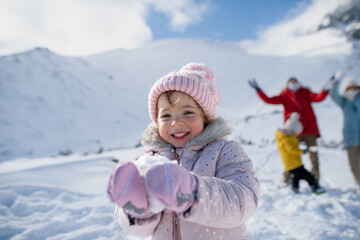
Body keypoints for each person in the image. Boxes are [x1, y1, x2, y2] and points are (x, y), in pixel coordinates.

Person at [107, 63, 260, 240]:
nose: (176, 122)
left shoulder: (225, 151)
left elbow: (242, 202)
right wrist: (136, 207)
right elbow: (135, 228)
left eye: (187, 112)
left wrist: (190, 192)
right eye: (166, 116)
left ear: (205, 117)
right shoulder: (148, 160)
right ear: (156, 121)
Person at [248, 77, 330, 183]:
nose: (293, 83)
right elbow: (269, 100)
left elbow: (319, 97)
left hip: (310, 130)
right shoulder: (284, 95)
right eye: (291, 82)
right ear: (287, 84)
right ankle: (287, 178)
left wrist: (326, 90)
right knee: (289, 153)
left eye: (295, 81)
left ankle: (315, 179)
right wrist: (258, 90)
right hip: (292, 132)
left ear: (299, 82)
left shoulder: (306, 93)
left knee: (313, 154)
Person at [275, 112, 325, 194]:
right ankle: (315, 187)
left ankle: (295, 188)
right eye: (296, 133)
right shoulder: (286, 139)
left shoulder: (287, 137)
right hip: (294, 164)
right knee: (308, 176)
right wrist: (302, 151)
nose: (297, 135)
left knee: (297, 176)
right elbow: (291, 149)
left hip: (292, 164)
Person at [329, 75, 360, 188]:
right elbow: (334, 95)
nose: (352, 89)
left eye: (354, 87)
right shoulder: (344, 102)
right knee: (354, 164)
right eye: (349, 87)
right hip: (350, 138)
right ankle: (358, 181)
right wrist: (336, 82)